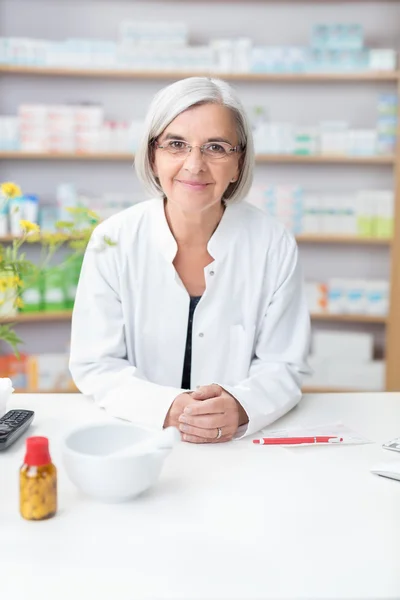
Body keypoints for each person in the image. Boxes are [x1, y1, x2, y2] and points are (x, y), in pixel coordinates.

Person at [69, 77, 311, 443]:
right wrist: (167, 407)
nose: (194, 165)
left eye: (215, 147)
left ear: (238, 163)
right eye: (176, 144)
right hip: (135, 439)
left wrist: (242, 405)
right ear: (153, 156)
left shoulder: (271, 243)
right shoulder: (113, 239)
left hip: (237, 449)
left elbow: (285, 364)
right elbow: (95, 363)